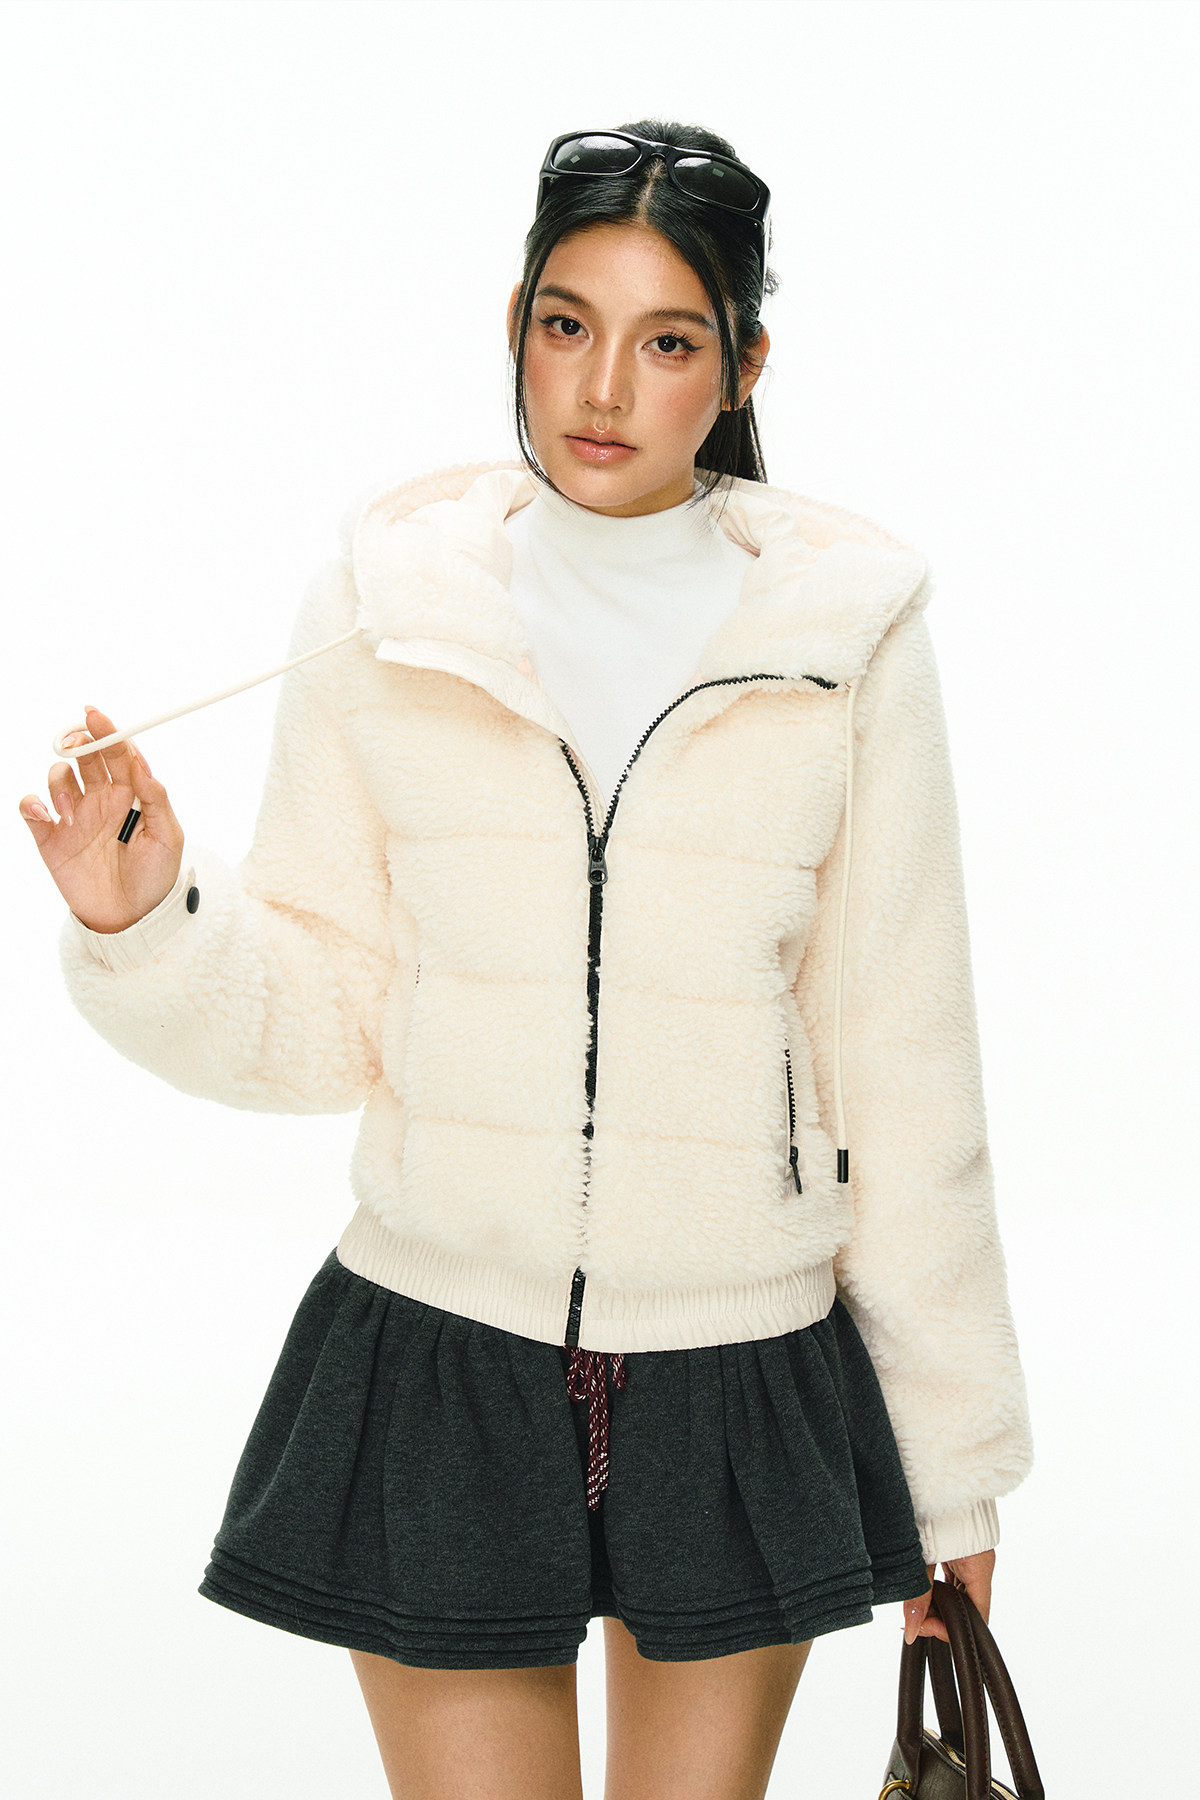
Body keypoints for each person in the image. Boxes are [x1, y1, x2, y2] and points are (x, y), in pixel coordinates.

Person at [19, 121, 1033, 1800]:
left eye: (669, 341)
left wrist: (955, 1475)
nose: (603, 389)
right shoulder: (388, 604)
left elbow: (906, 1071)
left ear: (744, 365)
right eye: (568, 325)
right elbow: (327, 1012)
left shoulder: (845, 640)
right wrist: (148, 916)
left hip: (738, 1371)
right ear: (517, 325)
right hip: (444, 1355)